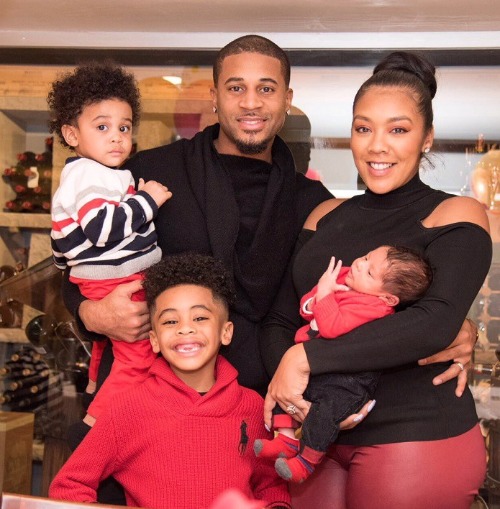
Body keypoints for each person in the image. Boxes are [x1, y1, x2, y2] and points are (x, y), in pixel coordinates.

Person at [59, 37, 477, 502]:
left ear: (287, 100)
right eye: (236, 88)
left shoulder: (314, 205)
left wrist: (454, 324)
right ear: (214, 97)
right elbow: (81, 258)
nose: (251, 102)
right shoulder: (148, 173)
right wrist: (89, 313)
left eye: (266, 88)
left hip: (260, 422)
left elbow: (361, 295)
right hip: (148, 414)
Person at [262, 50, 492, 509]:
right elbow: (280, 318)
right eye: (363, 128)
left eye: (398, 130)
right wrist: (288, 387)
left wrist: (306, 357)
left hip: (417, 431)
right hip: (318, 435)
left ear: (427, 138)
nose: (377, 146)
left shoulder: (456, 213)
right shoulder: (323, 215)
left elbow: (433, 323)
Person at [49, 253, 291, 509]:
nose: (185, 328)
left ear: (226, 332)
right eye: (170, 321)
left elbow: (271, 486)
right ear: (154, 340)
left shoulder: (253, 407)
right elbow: (68, 486)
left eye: (200, 318)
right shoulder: (128, 409)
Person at [48, 61, 172, 427]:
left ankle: (92, 383)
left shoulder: (88, 173)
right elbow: (103, 228)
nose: (116, 137)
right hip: (117, 278)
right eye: (102, 127)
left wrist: (71, 267)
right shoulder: (91, 176)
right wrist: (148, 200)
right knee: (138, 357)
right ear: (71, 134)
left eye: (124, 127)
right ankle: (98, 422)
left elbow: (60, 244)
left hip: (97, 279)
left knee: (106, 340)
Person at [255, 246, 432, 483]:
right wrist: (320, 292)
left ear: (388, 298)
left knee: (324, 414)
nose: (359, 264)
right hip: (319, 365)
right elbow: (307, 311)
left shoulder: (376, 308)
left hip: (348, 379)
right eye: (366, 257)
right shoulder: (347, 280)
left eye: (369, 272)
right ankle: (286, 440)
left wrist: (325, 295)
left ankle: (307, 461)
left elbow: (331, 327)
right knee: (285, 392)